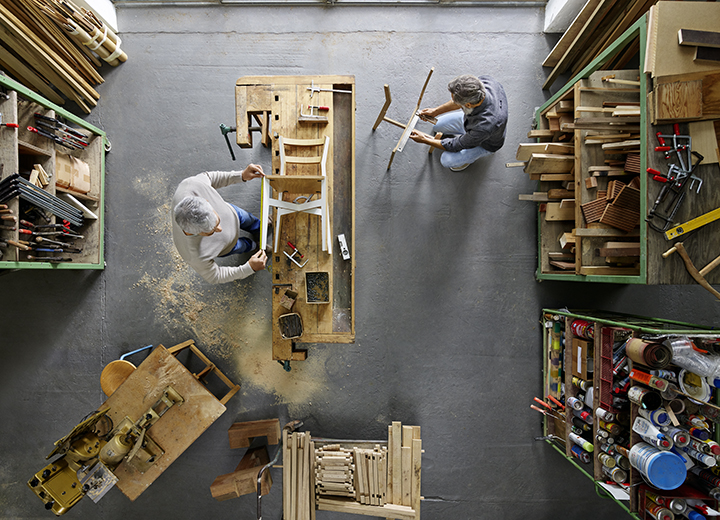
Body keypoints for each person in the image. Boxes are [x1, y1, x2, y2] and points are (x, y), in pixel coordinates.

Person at [172, 165, 269, 284]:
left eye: (217, 221)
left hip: (233, 213)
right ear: (196, 233)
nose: (220, 229)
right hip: (228, 246)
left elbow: (210, 177)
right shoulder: (193, 255)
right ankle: (254, 246)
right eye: (211, 232)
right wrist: (249, 268)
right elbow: (215, 277)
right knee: (244, 246)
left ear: (206, 201)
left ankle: (261, 227)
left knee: (249, 220)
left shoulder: (190, 185)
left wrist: (241, 175)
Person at [409, 74, 508, 171]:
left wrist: (424, 140)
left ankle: (467, 160)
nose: (453, 101)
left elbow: (456, 145)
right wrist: (435, 111)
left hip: (485, 142)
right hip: (472, 121)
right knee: (437, 126)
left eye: (456, 102)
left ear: (468, 105)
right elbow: (457, 102)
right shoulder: (484, 82)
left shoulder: (485, 126)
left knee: (446, 160)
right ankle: (467, 135)